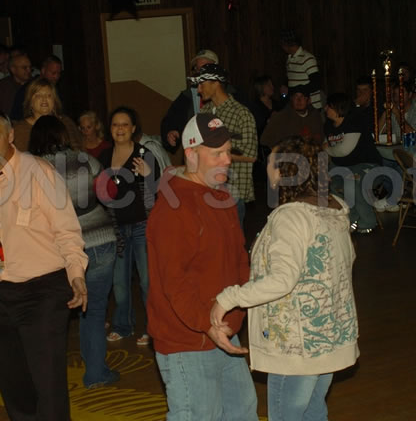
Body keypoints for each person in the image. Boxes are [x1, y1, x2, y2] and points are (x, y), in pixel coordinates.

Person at [0, 108, 89, 420]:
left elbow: (67, 231)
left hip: (43, 291)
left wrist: (76, 274)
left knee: (47, 383)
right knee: (14, 383)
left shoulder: (40, 173)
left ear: (11, 136)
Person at [211, 135, 359, 420]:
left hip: (296, 347)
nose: (266, 169)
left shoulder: (291, 217)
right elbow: (347, 260)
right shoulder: (334, 209)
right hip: (327, 339)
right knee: (314, 413)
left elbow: (282, 280)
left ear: (283, 171)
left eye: (270, 163)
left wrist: (228, 298)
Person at [146, 113, 257, 420]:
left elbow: (239, 259)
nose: (228, 160)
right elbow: (174, 282)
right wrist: (208, 324)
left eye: (228, 152)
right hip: (187, 341)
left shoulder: (221, 197)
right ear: (191, 155)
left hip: (224, 332)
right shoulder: (172, 208)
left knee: (242, 412)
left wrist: (238, 311)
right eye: (217, 153)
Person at [28, 115, 119, 389]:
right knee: (94, 311)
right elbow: (110, 194)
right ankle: (96, 373)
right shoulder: (86, 160)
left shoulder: (32, 170)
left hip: (61, 252)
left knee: (54, 316)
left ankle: (49, 381)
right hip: (101, 240)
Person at [97, 106, 159, 347]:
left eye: (125, 124)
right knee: (119, 283)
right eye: (115, 124)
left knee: (147, 281)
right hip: (115, 228)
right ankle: (123, 325)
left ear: (133, 128)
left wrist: (149, 175)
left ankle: (153, 329)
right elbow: (99, 193)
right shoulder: (104, 157)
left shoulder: (144, 154)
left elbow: (159, 191)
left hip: (143, 225)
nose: (120, 129)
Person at [196, 64, 257, 225]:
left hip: (232, 190)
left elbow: (251, 157)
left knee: (233, 238)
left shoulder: (241, 114)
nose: (199, 90)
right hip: (207, 190)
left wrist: (214, 154)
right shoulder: (203, 113)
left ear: (215, 83)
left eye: (202, 84)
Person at [324, 92, 381, 233]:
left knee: (354, 183)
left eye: (329, 106)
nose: (325, 109)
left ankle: (368, 222)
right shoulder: (328, 125)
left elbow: (343, 150)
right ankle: (351, 217)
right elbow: (326, 149)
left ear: (338, 108)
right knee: (334, 185)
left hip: (367, 165)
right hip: (341, 167)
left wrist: (327, 149)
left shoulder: (354, 122)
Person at [160, 49, 219, 154]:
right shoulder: (188, 95)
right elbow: (171, 120)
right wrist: (172, 132)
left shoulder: (232, 96)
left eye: (205, 67)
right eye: (197, 68)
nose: (200, 72)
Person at [11, 77, 82, 152]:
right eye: (38, 95)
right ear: (30, 102)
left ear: (54, 101)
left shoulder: (66, 122)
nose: (44, 99)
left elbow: (77, 150)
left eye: (49, 95)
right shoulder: (20, 129)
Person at [260, 83, 325, 149]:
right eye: (296, 96)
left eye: (302, 96)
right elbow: (265, 140)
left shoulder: (315, 116)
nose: (299, 100)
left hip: (311, 152)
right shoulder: (281, 116)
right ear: (291, 99)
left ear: (308, 100)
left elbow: (320, 138)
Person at [10, 55, 63, 121]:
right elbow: (15, 117)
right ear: (43, 70)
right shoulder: (28, 89)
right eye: (53, 73)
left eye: (59, 73)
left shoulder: (57, 89)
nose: (56, 77)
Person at [281, 29, 323, 109]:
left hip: (310, 107)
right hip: (297, 105)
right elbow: (293, 78)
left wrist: (295, 90)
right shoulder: (289, 58)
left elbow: (316, 83)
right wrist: (285, 85)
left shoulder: (307, 58)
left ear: (286, 44)